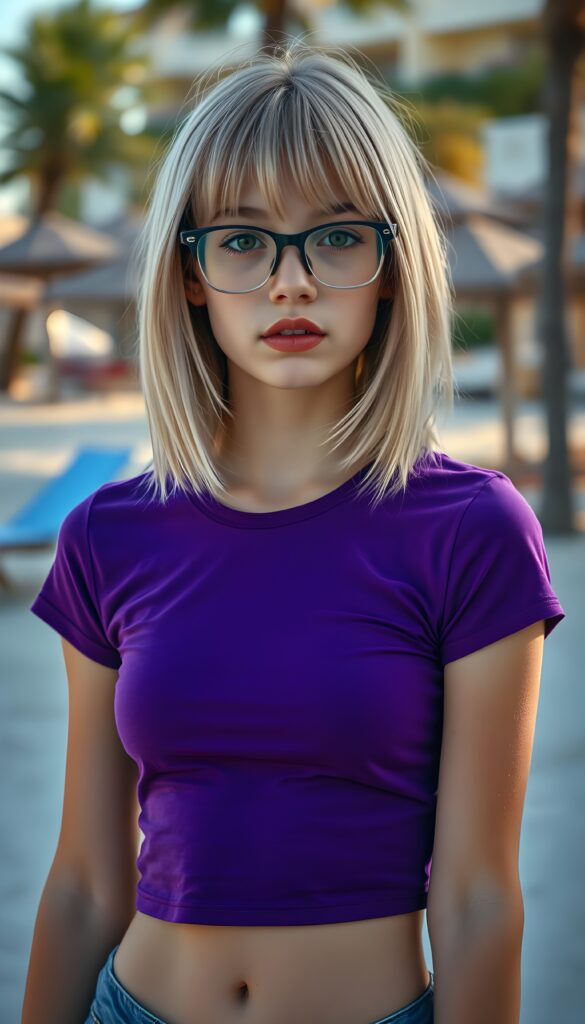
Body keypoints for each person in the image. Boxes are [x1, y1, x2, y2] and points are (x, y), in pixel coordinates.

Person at [23, 39, 565, 1024]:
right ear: (188, 274)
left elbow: (481, 900)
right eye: (241, 239)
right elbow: (84, 885)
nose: (291, 282)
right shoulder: (106, 537)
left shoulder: (474, 531)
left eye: (335, 236)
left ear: (393, 263)